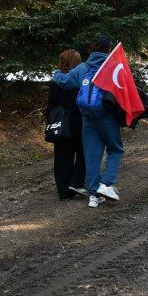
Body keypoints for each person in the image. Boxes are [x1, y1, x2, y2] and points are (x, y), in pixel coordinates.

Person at [52, 34, 122, 208]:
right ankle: (106, 185)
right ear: (108, 49)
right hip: (106, 116)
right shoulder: (113, 66)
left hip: (87, 117)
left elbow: (64, 81)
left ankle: (93, 195)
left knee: (92, 155)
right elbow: (123, 89)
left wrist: (56, 73)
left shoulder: (83, 67)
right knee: (115, 149)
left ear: (93, 49)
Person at [47, 50, 87, 199]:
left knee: (62, 156)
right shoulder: (78, 80)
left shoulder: (55, 81)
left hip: (59, 122)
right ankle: (75, 183)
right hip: (77, 121)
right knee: (84, 152)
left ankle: (64, 192)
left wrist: (50, 121)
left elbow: (51, 104)